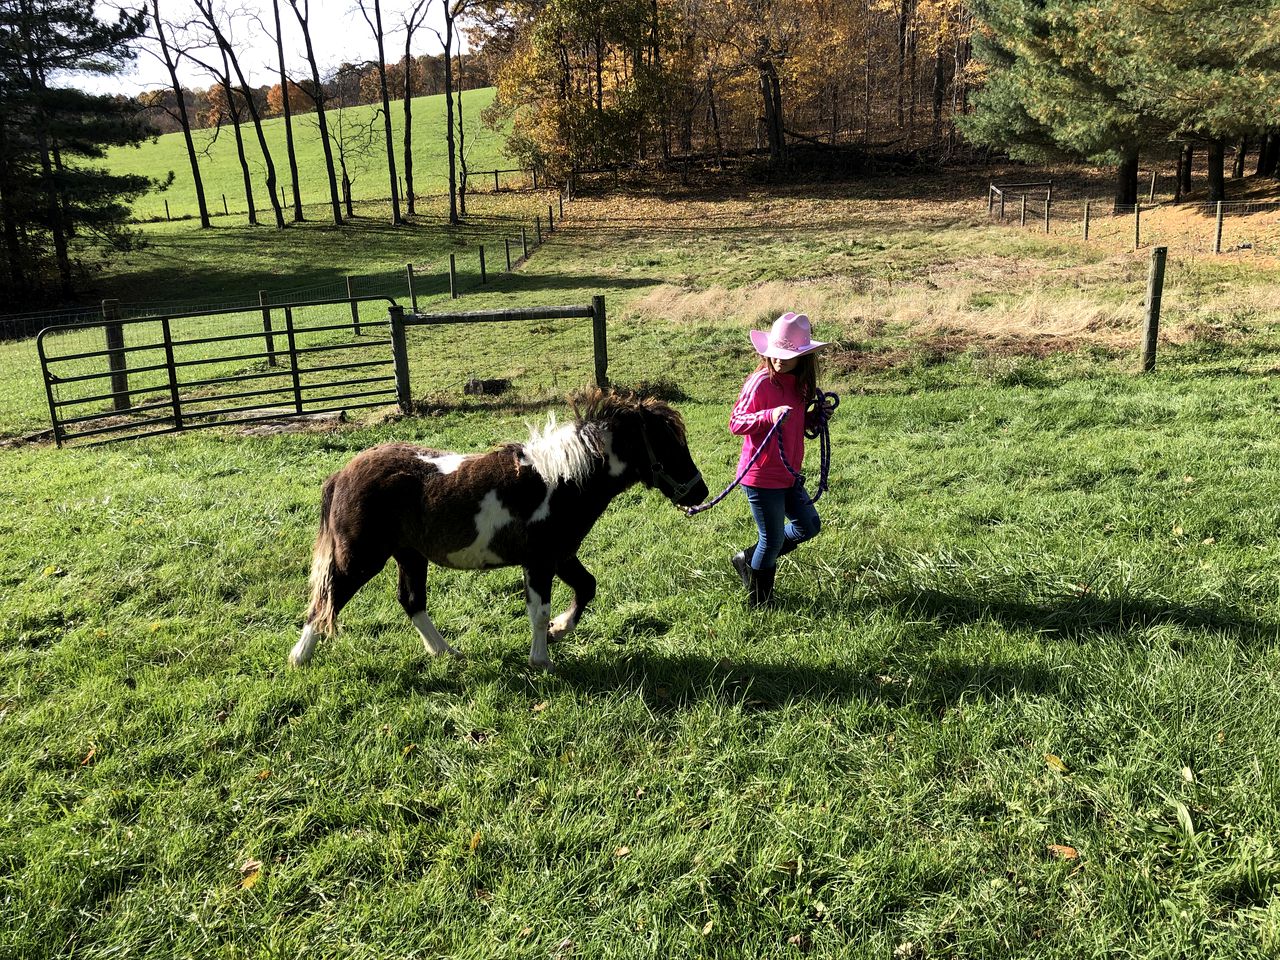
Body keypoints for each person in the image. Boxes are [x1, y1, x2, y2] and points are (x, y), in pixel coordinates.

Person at [728, 311, 831, 606]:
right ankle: (760, 603)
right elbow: (736, 422)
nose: (779, 360)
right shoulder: (760, 383)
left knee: (808, 525)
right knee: (772, 540)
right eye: (776, 353)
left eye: (787, 354)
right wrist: (768, 416)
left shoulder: (800, 386)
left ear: (803, 357)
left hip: (788, 473)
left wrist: (813, 420)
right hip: (761, 475)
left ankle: (749, 559)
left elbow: (795, 423)